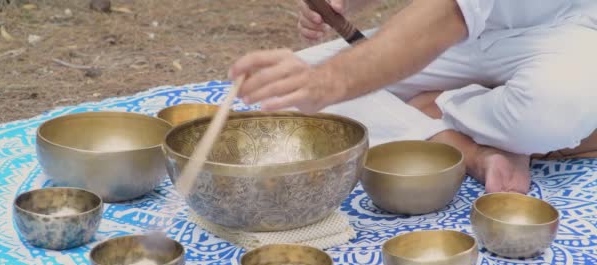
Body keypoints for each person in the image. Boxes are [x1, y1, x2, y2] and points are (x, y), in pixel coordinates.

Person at [228, 0, 597, 194]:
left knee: (551, 112)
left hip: (567, 35)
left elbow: (448, 14)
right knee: (282, 97)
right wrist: (345, 4)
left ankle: (443, 107)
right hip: (467, 34)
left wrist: (331, 82)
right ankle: (469, 147)